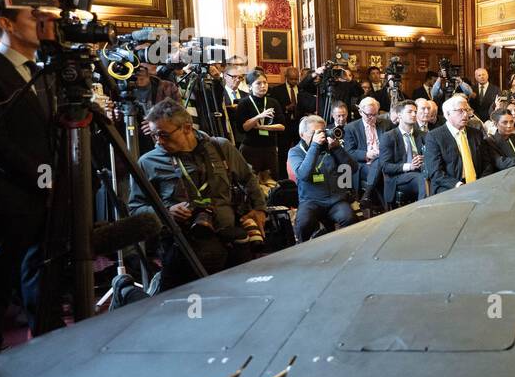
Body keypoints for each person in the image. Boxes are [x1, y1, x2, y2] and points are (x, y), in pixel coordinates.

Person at [132, 98, 266, 291]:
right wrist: (166, 212)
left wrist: (259, 210)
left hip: (233, 243)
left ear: (186, 128)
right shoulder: (148, 162)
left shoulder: (221, 147)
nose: (159, 141)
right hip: (185, 250)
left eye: (163, 135)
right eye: (154, 136)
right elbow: (135, 208)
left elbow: (248, 178)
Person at [0, 0, 60, 344]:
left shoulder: (44, 71)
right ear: (6, 24)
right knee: (2, 275)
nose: (42, 23)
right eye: (33, 16)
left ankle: (48, 342)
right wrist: (39, 177)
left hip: (45, 192)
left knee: (43, 270)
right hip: (10, 194)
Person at [288, 115, 357, 241]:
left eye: (322, 132)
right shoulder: (295, 151)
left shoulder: (331, 148)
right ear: (302, 134)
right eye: (314, 133)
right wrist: (314, 146)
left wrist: (337, 149)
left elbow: (352, 169)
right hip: (311, 201)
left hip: (336, 200)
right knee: (303, 225)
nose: (320, 136)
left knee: (349, 218)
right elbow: (303, 174)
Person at [424, 94, 495, 194]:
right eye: (460, 111)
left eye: (467, 110)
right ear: (447, 114)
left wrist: (481, 182)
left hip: (478, 183)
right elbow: (436, 172)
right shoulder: (434, 137)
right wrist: (459, 185)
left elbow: (487, 163)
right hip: (450, 186)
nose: (466, 114)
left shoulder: (476, 134)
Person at [234, 70, 286, 183]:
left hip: (270, 147)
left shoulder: (273, 102)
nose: (263, 86)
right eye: (258, 83)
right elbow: (243, 128)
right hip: (251, 148)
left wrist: (262, 127)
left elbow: (282, 126)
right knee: (251, 181)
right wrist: (260, 116)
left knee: (272, 180)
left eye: (265, 82)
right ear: (250, 86)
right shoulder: (244, 103)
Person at [343, 96, 393, 208]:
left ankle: (368, 195)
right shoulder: (351, 128)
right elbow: (349, 152)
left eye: (375, 114)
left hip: (384, 160)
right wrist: (366, 154)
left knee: (381, 161)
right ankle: (387, 207)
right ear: (360, 112)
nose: (372, 118)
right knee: (383, 175)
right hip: (364, 164)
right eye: (369, 115)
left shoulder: (386, 124)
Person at [379, 101, 427, 207]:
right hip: (398, 177)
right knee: (422, 179)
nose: (414, 114)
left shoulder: (423, 135)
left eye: (415, 111)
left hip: (421, 172)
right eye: (410, 112)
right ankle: (423, 212)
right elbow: (386, 167)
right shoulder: (388, 137)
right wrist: (410, 166)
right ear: (399, 115)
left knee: (435, 178)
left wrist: (425, 159)